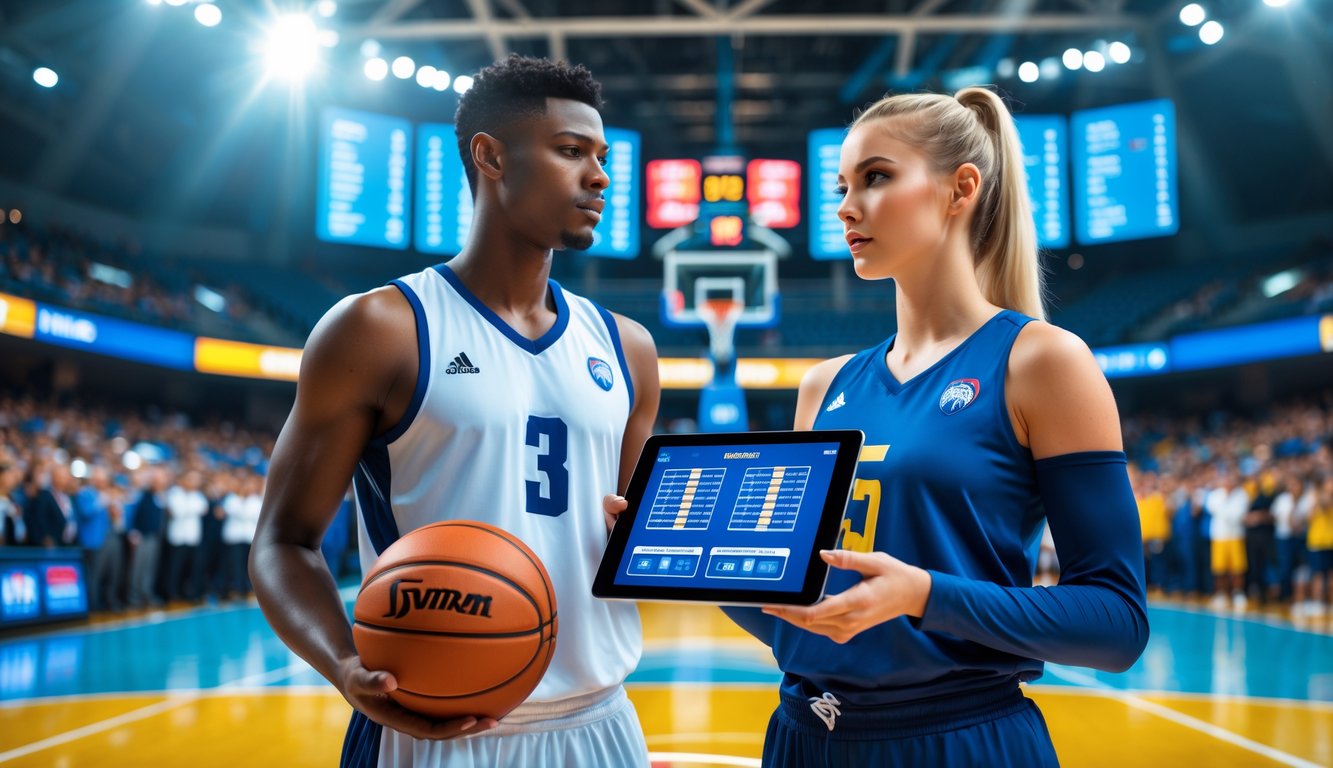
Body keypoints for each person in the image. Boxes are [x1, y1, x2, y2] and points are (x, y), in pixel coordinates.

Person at [715, 88, 1149, 766]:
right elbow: (802, 626)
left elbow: (1116, 623)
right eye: (842, 185)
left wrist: (923, 594)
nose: (845, 207)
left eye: (876, 177)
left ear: (960, 188)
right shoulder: (821, 387)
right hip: (802, 739)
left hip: (959, 740)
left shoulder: (1041, 360)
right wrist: (682, 563)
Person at [250, 55, 659, 768]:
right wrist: (346, 666)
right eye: (571, 152)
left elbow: (636, 544)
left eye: (600, 156)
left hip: (602, 723)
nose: (599, 176)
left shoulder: (628, 348)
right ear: (491, 155)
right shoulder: (380, 328)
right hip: (430, 726)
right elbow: (283, 542)